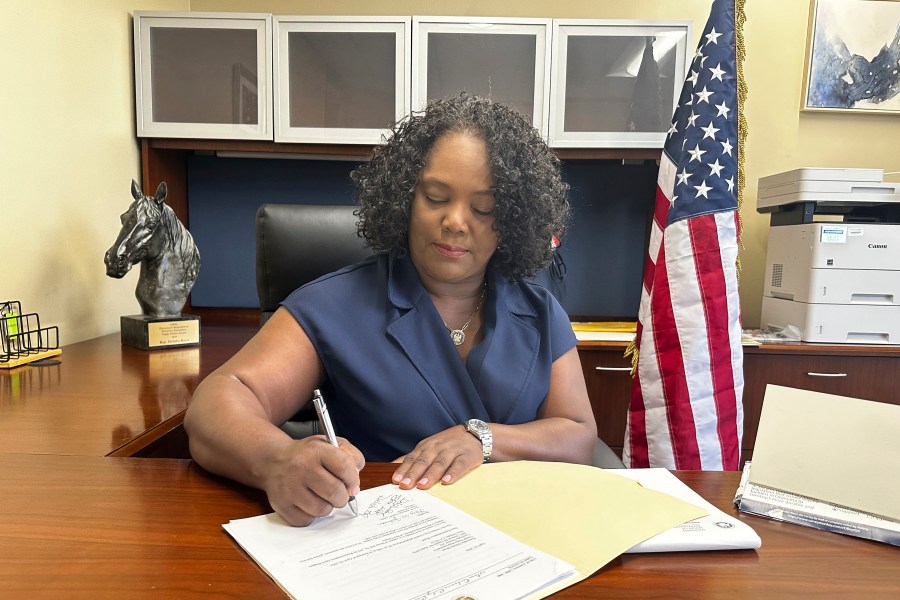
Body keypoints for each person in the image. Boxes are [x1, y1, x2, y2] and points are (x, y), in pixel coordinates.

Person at [184, 94, 597, 526]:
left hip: (522, 535)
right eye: (436, 197)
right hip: (387, 540)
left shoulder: (540, 312)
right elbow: (216, 403)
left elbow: (578, 436)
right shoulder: (335, 304)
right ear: (405, 199)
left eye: (483, 208)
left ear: (512, 219)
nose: (456, 221)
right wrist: (276, 459)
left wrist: (484, 438)